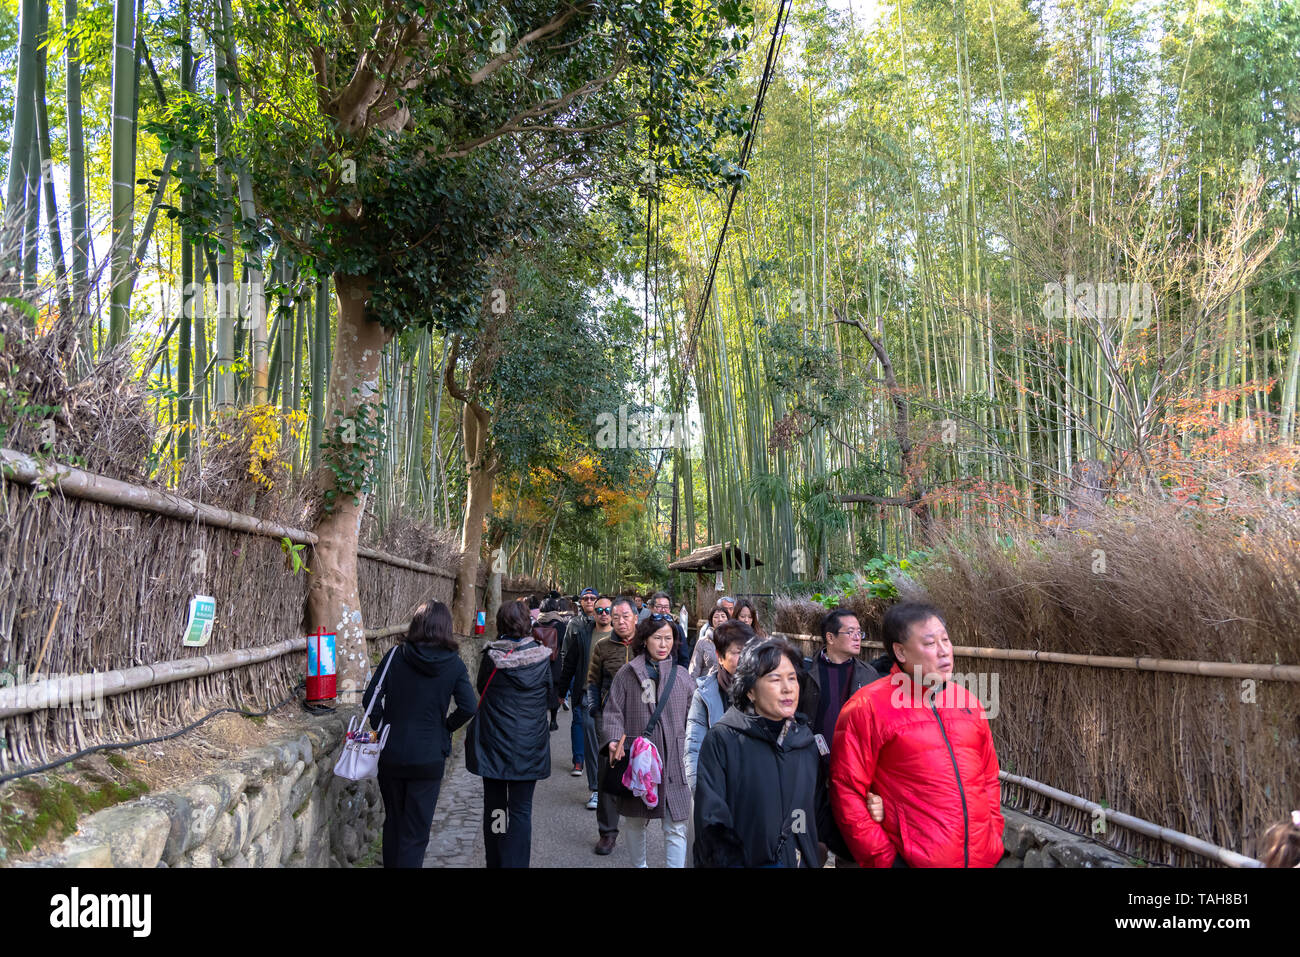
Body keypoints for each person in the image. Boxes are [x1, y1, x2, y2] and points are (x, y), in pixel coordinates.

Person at [831, 601, 1004, 868]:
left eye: (945, 640)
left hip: (982, 858)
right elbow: (847, 792)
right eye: (930, 643)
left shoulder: (969, 702)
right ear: (900, 651)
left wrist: (993, 834)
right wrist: (886, 860)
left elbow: (989, 777)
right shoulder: (867, 707)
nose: (944, 651)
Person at [363, 600, 476, 868]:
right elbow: (469, 706)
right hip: (428, 756)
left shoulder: (395, 656)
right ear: (446, 628)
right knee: (416, 832)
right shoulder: (454, 664)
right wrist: (446, 727)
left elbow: (370, 699)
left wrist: (382, 726)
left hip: (391, 752)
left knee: (394, 823)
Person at [692, 637, 820, 867]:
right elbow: (712, 821)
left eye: (792, 678)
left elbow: (814, 815)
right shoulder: (724, 739)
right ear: (750, 691)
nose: (787, 687)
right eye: (775, 679)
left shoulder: (805, 742)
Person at [601, 614, 695, 867]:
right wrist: (612, 740)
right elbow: (613, 712)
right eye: (657, 638)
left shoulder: (683, 676)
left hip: (674, 761)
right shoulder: (627, 673)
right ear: (644, 640)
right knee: (634, 821)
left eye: (668, 638)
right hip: (638, 761)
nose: (663, 644)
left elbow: (695, 720)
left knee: (676, 826)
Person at [466, 601, 553, 868]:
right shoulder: (542, 657)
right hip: (529, 743)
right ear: (528, 623)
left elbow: (483, 689)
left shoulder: (491, 657)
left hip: (493, 741)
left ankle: (496, 861)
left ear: (500, 624)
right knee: (521, 809)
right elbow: (550, 698)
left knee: (496, 806)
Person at [797, 607, 882, 865]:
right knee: (815, 845)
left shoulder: (869, 676)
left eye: (859, 632)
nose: (858, 637)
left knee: (852, 846)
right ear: (830, 638)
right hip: (813, 770)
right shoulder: (804, 673)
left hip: (854, 772)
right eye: (851, 632)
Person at [586, 595, 639, 854]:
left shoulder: (647, 644)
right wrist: (596, 713)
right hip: (611, 716)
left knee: (642, 770)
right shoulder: (603, 647)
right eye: (615, 617)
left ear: (636, 618)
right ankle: (607, 832)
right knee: (608, 771)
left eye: (625, 616)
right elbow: (592, 683)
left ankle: (638, 828)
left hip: (642, 716)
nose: (619, 621)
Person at [684, 619, 752, 791]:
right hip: (717, 787)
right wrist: (703, 795)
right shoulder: (705, 695)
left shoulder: (764, 690)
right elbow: (694, 749)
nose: (745, 658)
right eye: (737, 652)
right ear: (720, 657)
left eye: (749, 651)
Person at [558, 591, 607, 803]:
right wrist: (562, 691)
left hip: (616, 697)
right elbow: (568, 661)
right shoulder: (582, 633)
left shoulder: (624, 636)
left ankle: (613, 786)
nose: (603, 613)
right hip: (589, 693)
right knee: (591, 735)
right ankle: (596, 787)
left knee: (611, 741)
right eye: (600, 610)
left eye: (607, 610)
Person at [533, 597, 568, 732]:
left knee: (541, 692)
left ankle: (543, 720)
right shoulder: (560, 625)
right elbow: (564, 645)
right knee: (555, 691)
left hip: (539, 663)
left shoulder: (536, 624)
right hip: (555, 663)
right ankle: (553, 720)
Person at [689, 603, 732, 677]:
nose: (720, 620)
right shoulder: (702, 642)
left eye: (723, 616)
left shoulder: (734, 641)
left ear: (728, 620)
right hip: (707, 685)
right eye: (716, 617)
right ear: (711, 621)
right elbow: (695, 668)